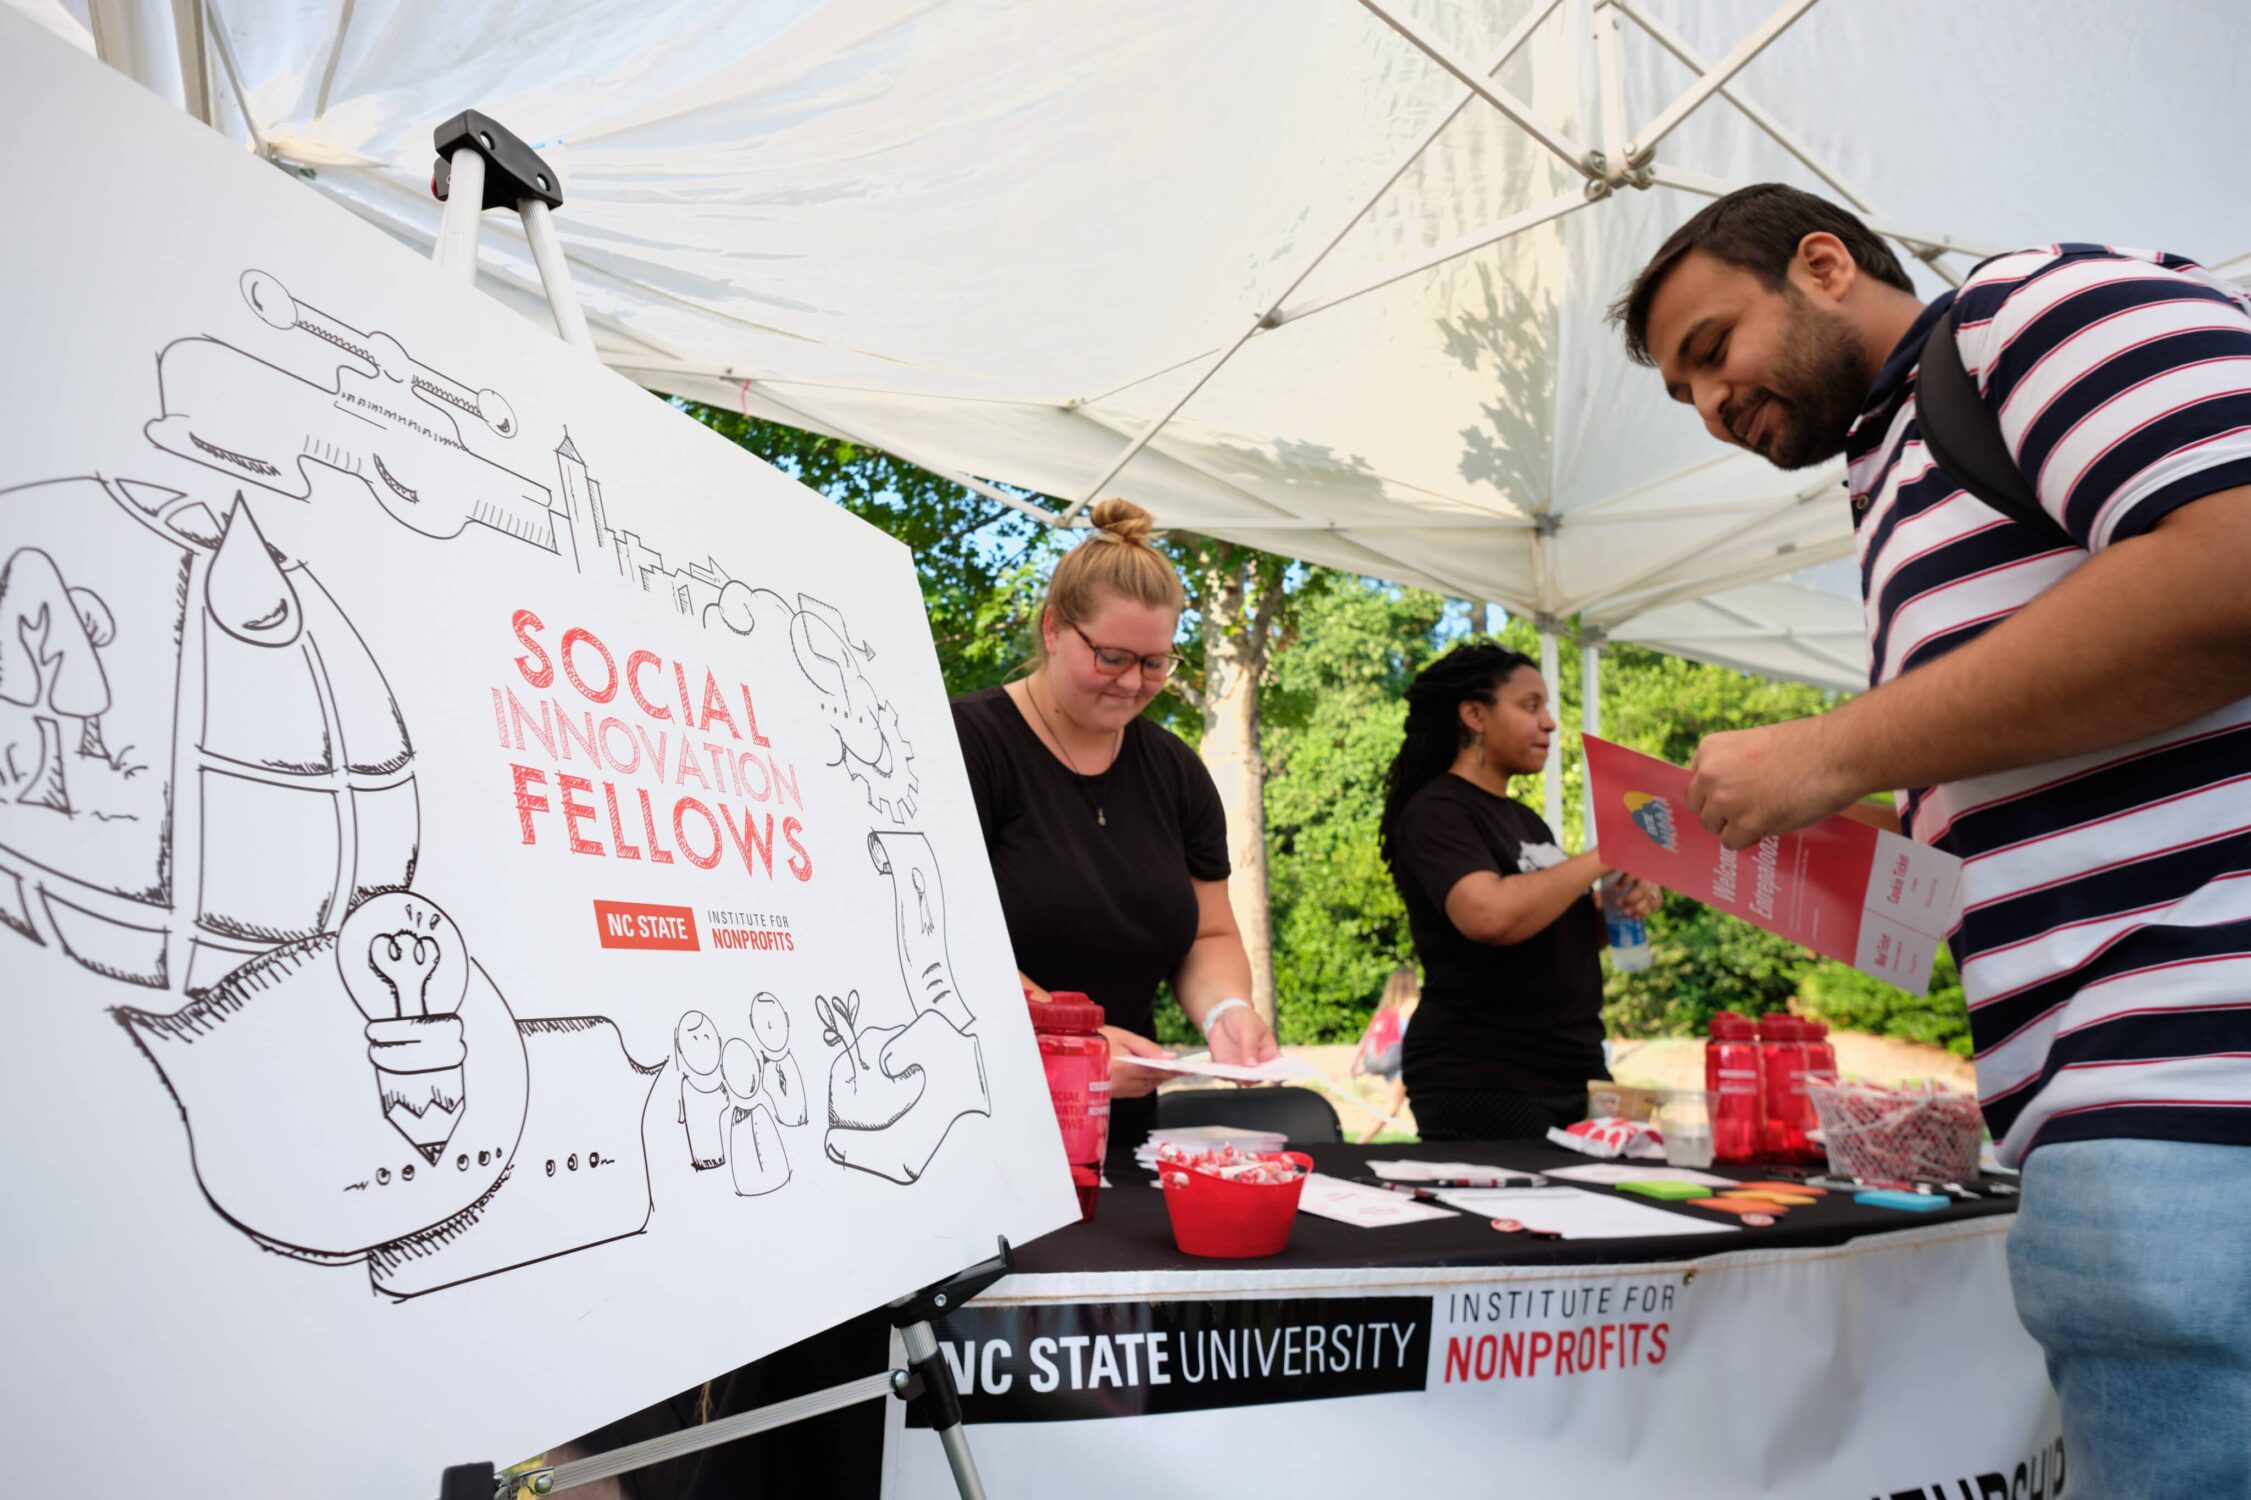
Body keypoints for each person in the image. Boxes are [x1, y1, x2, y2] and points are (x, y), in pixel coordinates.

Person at [1612, 182, 2251, 1497]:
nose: (1712, 407)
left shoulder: (2021, 312)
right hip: (2116, 1118)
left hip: (2195, 1104)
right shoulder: (1892, 479)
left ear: (1823, 265)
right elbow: (2041, 785)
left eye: (1711, 350)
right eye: (1682, 395)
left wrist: (1831, 748)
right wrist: (1812, 841)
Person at [952, 498, 1279, 1151]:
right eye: (1111, 657)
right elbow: (942, 937)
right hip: (982, 1112)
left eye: (1156, 662)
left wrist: (1225, 1010)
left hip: (1121, 1118)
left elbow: (1208, 931)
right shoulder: (968, 743)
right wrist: (1069, 1038)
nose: (1133, 683)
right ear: (1052, 628)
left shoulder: (1174, 771)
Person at [1378, 643, 1658, 1140]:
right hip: (1486, 1079)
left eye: (1547, 709)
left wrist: (1615, 906)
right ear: (1474, 715)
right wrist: (1609, 852)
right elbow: (1489, 916)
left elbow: (1549, 932)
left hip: (1572, 1069)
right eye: (1531, 706)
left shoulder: (1526, 821)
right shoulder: (1437, 810)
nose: (1549, 723)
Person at [1349, 966, 1420, 1143]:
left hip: (1391, 1063)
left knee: (1404, 1105)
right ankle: (1360, 1143)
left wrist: (1356, 1061)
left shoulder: (1387, 1009)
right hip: (1402, 1064)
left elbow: (1367, 1036)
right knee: (1390, 1108)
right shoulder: (1413, 1004)